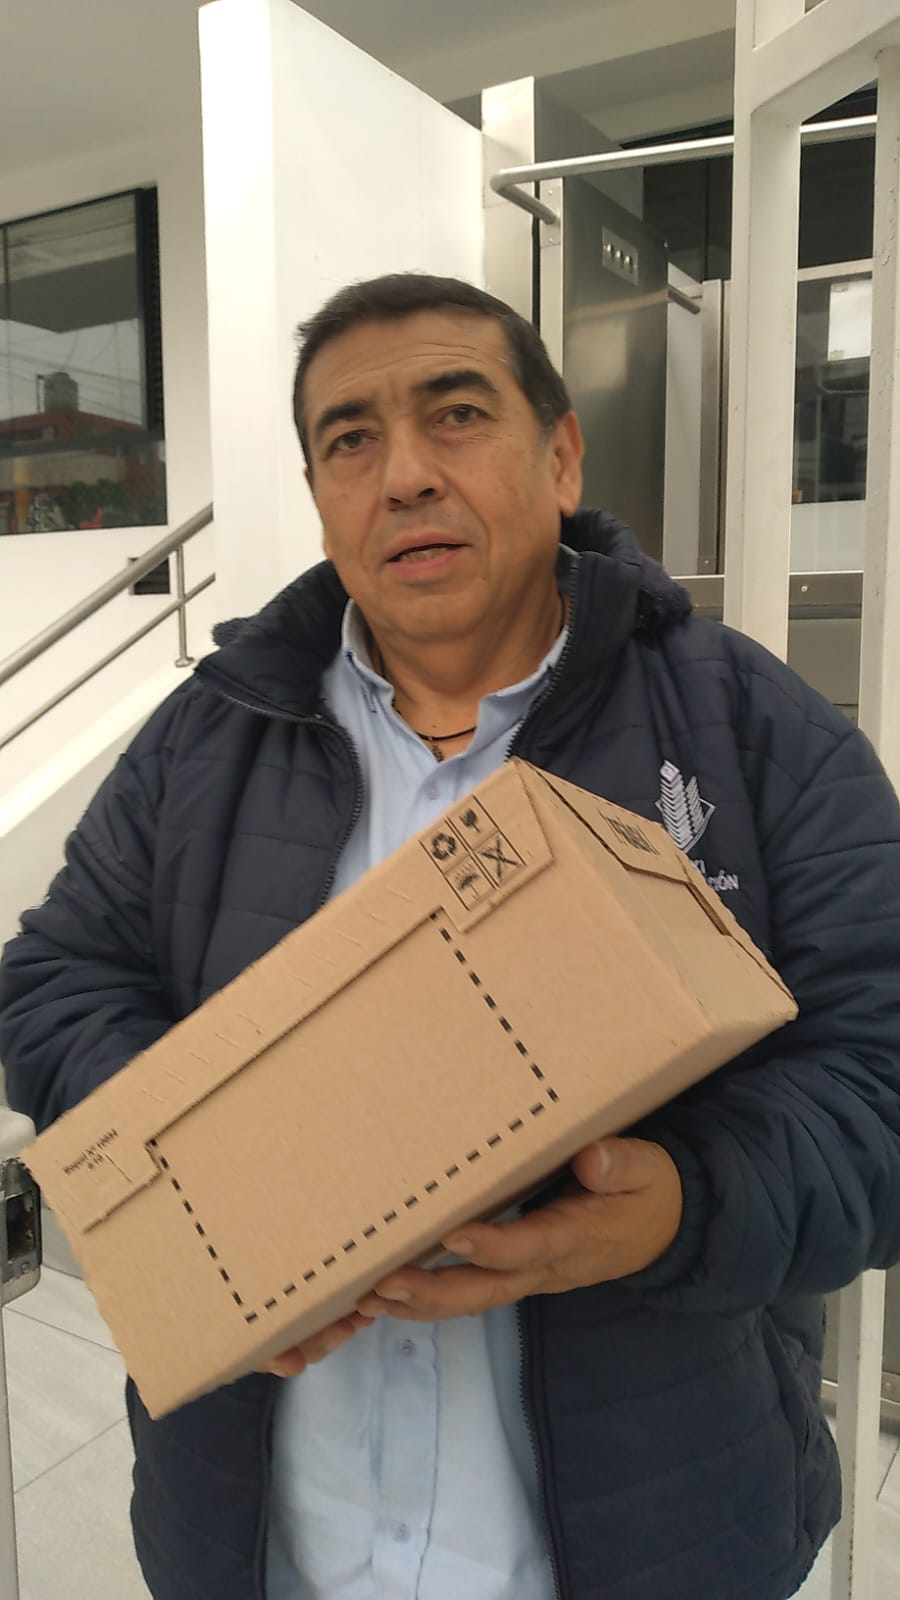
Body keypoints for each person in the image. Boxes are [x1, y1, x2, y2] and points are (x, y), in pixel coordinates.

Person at [2, 273, 900, 1600]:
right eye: (350, 440)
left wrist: (682, 1205)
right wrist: (215, 1174)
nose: (406, 474)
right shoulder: (209, 733)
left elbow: (880, 1078)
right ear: (321, 496)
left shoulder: (751, 729)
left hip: (649, 1535)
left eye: (457, 414)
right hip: (268, 1544)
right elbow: (54, 977)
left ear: (561, 455)